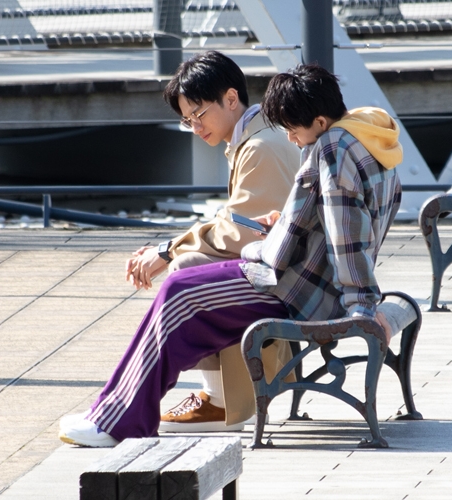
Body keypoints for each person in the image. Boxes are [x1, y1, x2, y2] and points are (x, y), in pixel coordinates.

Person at [59, 63, 404, 447]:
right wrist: (281, 223)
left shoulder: (331, 153)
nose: (289, 138)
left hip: (301, 291)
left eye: (292, 129)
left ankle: (118, 424)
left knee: (181, 295)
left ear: (320, 120)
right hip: (302, 276)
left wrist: (361, 309)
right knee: (180, 284)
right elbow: (341, 221)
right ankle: (115, 412)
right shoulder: (364, 133)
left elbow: (346, 240)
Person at [126, 51, 300, 433]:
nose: (194, 126)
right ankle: (215, 396)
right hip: (297, 272)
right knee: (189, 267)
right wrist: (170, 247)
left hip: (291, 287)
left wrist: (168, 250)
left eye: (199, 113)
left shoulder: (261, 147)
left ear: (231, 98)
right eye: (187, 120)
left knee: (189, 272)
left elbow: (241, 232)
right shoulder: (257, 138)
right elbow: (237, 222)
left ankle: (220, 402)